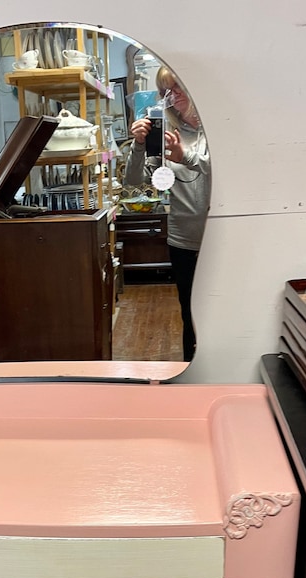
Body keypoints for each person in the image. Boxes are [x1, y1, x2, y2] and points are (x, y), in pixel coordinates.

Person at [124, 66, 211, 361]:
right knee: (189, 313)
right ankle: (192, 368)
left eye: (177, 87)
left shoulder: (219, 128)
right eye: (166, 91)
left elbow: (228, 169)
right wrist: (138, 145)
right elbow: (134, 182)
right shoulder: (164, 132)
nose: (172, 96)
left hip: (221, 236)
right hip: (183, 241)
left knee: (222, 309)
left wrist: (186, 156)